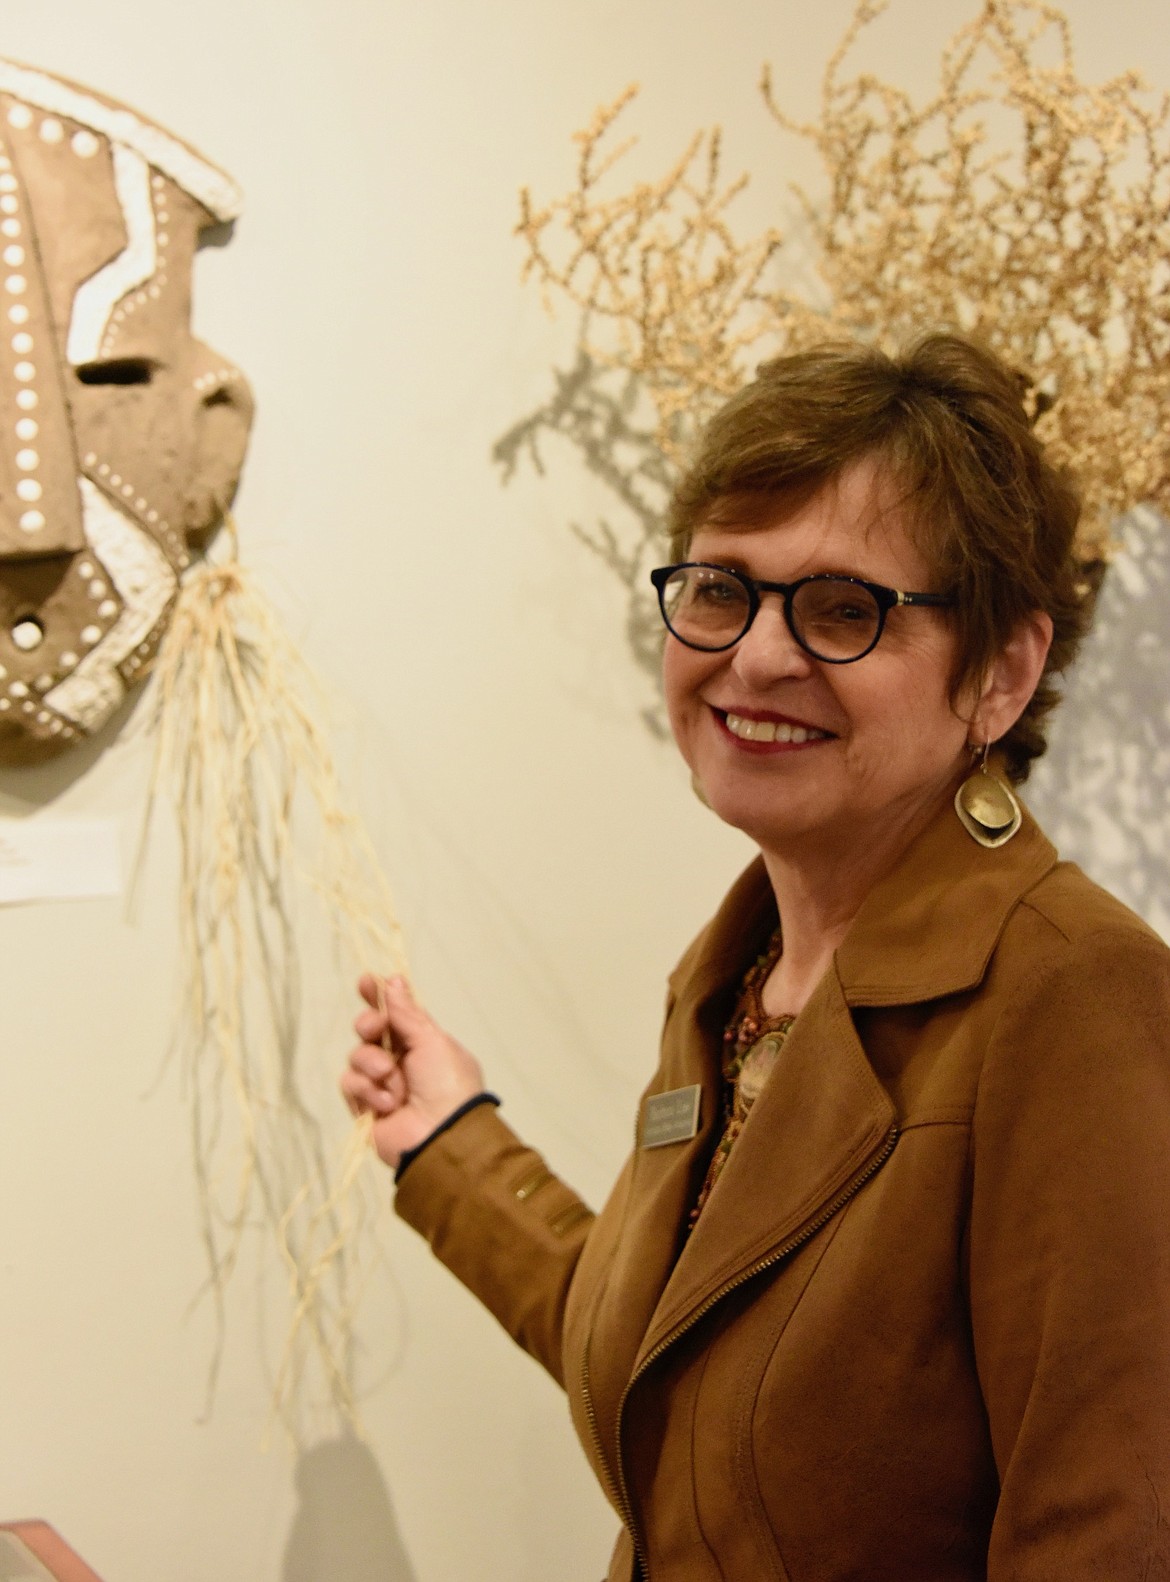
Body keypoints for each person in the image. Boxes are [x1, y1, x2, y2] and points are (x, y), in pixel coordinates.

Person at [341, 334, 1170, 1580]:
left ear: (999, 674)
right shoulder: (736, 979)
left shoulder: (1073, 998)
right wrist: (454, 1144)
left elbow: (1106, 1531)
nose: (759, 655)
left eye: (846, 609)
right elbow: (677, 1368)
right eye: (723, 588)